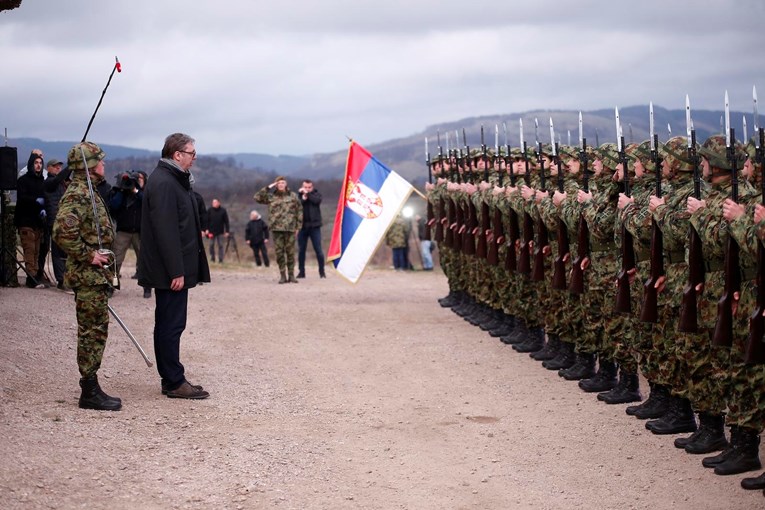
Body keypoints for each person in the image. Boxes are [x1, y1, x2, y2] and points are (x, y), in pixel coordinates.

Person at [137, 133, 210, 399]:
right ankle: (173, 381)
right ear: (177, 155)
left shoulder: (173, 180)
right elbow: (166, 231)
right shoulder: (165, 183)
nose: (194, 157)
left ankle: (173, 377)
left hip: (173, 267)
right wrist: (176, 271)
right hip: (170, 271)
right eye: (191, 153)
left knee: (171, 323)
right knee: (170, 324)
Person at [52, 141, 121, 411]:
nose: (104, 164)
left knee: (97, 330)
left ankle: (91, 386)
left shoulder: (90, 191)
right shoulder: (78, 193)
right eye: (100, 160)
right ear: (90, 166)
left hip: (97, 276)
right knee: (92, 332)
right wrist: (88, 255)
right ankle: (89, 391)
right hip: (88, 276)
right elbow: (61, 233)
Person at [108, 170, 151, 298]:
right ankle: (111, 286)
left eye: (141, 179)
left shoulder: (145, 193)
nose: (138, 181)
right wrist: (122, 190)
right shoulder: (119, 192)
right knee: (116, 260)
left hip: (140, 232)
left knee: (144, 261)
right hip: (123, 231)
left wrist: (135, 191)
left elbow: (147, 203)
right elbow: (114, 206)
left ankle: (147, 287)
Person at [254, 176, 302, 283]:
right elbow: (257, 197)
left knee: (290, 253)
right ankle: (282, 275)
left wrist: (298, 227)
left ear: (286, 184)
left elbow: (299, 211)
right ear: (276, 185)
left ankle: (291, 275)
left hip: (290, 228)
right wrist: (268, 187)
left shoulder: (293, 196)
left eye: (283, 182)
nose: (281, 184)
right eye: (279, 183)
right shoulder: (271, 197)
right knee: (279, 253)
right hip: (276, 229)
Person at [14, 151, 47, 288]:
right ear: (31, 164)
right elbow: (22, 199)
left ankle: (34, 276)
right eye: (36, 163)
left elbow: (44, 199)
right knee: (29, 249)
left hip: (38, 221)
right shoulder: (23, 180)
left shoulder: (42, 182)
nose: (38, 165)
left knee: (37, 251)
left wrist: (43, 209)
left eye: (40, 163)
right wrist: (35, 201)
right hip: (25, 220)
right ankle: (31, 279)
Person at [43, 158, 72, 290]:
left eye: (59, 167)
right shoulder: (49, 182)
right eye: (55, 167)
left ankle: (66, 278)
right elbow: (57, 179)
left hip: (64, 221)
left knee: (66, 251)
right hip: (54, 221)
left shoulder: (62, 183)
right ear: (48, 168)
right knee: (57, 253)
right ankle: (61, 280)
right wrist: (70, 166)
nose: (58, 168)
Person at [297, 179, 325, 278]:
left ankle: (322, 272)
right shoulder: (298, 196)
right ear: (302, 186)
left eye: (309, 187)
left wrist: (307, 194)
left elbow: (316, 201)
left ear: (312, 187)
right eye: (305, 187)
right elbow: (296, 206)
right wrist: (303, 198)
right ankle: (301, 272)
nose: (307, 189)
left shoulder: (316, 194)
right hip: (302, 227)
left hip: (315, 227)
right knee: (301, 250)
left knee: (318, 250)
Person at [207, 198, 229, 263]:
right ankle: (212, 258)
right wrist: (206, 229)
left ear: (219, 203)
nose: (214, 204)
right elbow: (206, 220)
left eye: (215, 202)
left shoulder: (223, 210)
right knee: (211, 245)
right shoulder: (209, 210)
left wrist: (227, 231)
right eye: (213, 202)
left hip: (220, 231)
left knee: (221, 245)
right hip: (211, 231)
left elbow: (226, 222)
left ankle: (221, 259)